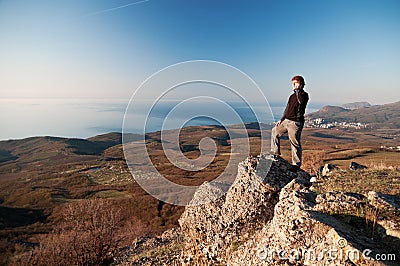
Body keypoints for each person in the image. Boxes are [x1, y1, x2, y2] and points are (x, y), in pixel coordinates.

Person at [271, 75, 309, 171]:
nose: (293, 85)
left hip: (295, 123)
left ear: (300, 84)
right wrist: (281, 119)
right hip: (286, 121)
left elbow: (300, 102)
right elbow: (287, 108)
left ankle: (296, 165)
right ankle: (275, 153)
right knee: (274, 131)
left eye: (295, 83)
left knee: (294, 143)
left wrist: (297, 90)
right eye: (293, 84)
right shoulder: (292, 96)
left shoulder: (304, 95)